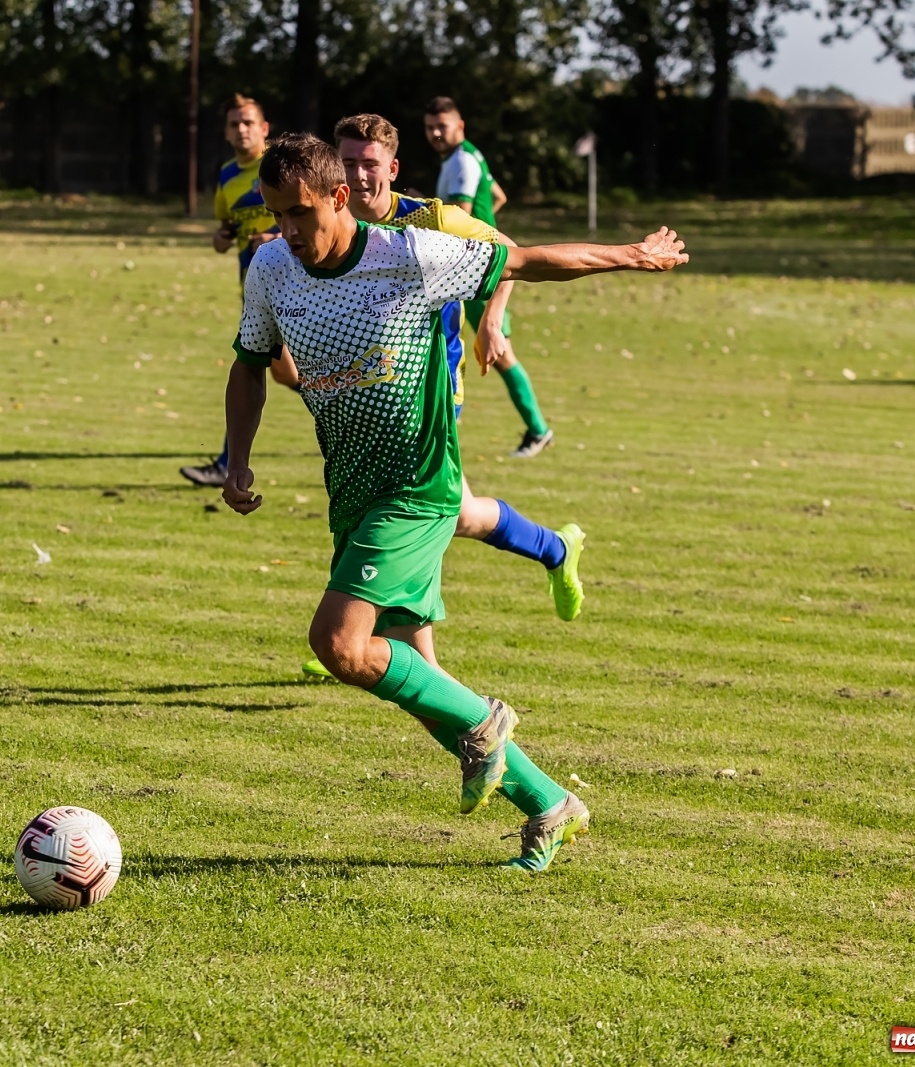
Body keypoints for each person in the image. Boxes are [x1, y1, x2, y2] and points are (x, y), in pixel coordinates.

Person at [222, 132, 687, 871]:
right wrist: (238, 457)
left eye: (300, 213)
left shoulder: (408, 255)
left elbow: (527, 261)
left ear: (338, 197)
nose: (287, 230)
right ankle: (550, 803)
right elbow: (250, 364)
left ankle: (487, 722)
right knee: (415, 673)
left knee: (338, 645)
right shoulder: (274, 268)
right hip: (354, 491)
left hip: (417, 487)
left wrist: (632, 254)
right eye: (276, 214)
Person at [335, 112, 583, 623]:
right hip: (370, 388)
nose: (358, 175)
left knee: (404, 507)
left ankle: (360, 634)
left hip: (433, 387)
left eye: (369, 164)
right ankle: (555, 548)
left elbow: (510, 250)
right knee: (458, 513)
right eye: (348, 163)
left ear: (393, 169)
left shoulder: (432, 220)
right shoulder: (335, 220)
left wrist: (491, 320)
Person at [424, 96, 554, 459]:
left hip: (478, 271)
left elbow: (459, 217)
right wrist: (487, 226)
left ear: (460, 126)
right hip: (472, 268)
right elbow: (498, 196)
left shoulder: (462, 162)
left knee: (498, 353)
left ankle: (538, 429)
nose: (436, 133)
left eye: (442, 126)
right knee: (462, 347)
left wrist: (476, 234)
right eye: (430, 127)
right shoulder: (467, 156)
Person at [180, 95, 299, 487]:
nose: (241, 130)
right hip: (256, 292)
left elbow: (316, 216)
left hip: (297, 287)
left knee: (253, 366)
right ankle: (343, 416)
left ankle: (225, 464)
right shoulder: (228, 175)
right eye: (234, 124)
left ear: (265, 129)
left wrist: (276, 237)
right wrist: (221, 238)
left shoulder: (283, 166)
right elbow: (226, 230)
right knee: (285, 372)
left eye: (248, 122)